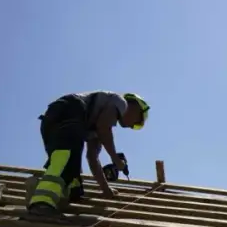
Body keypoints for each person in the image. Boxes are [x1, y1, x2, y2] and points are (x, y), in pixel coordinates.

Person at [25, 91, 150, 219]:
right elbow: (104, 128)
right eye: (137, 121)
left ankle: (40, 191)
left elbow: (92, 158)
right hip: (69, 110)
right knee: (66, 159)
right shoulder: (120, 102)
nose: (132, 126)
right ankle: (41, 204)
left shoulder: (93, 120)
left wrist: (106, 189)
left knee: (75, 184)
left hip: (52, 119)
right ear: (135, 107)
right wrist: (116, 159)